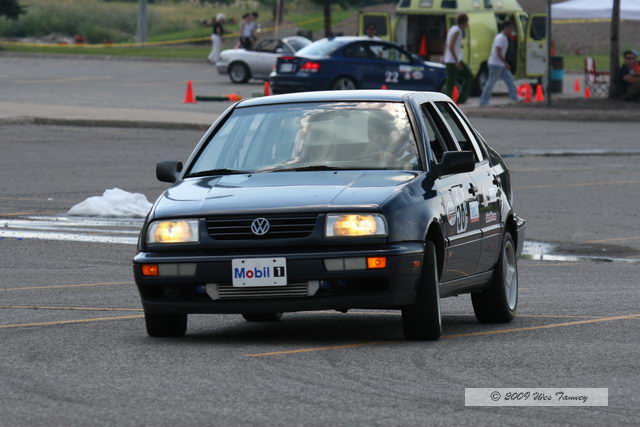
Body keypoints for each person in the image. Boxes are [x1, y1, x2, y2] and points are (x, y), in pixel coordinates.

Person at [479, 21, 518, 106]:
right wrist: (506, 63)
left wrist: (504, 63)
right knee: (491, 82)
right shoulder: (500, 38)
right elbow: (498, 52)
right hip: (496, 64)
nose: (511, 31)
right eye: (510, 29)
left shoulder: (503, 37)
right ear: (506, 28)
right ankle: (483, 101)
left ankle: (514, 97)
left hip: (499, 64)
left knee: (509, 80)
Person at [444, 14, 472, 104]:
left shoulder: (453, 29)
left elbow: (447, 44)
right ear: (464, 22)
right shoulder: (457, 31)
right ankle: (460, 99)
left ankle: (448, 101)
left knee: (451, 82)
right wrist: (456, 61)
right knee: (468, 76)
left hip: (449, 60)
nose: (467, 24)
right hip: (453, 61)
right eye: (467, 22)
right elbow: (451, 46)